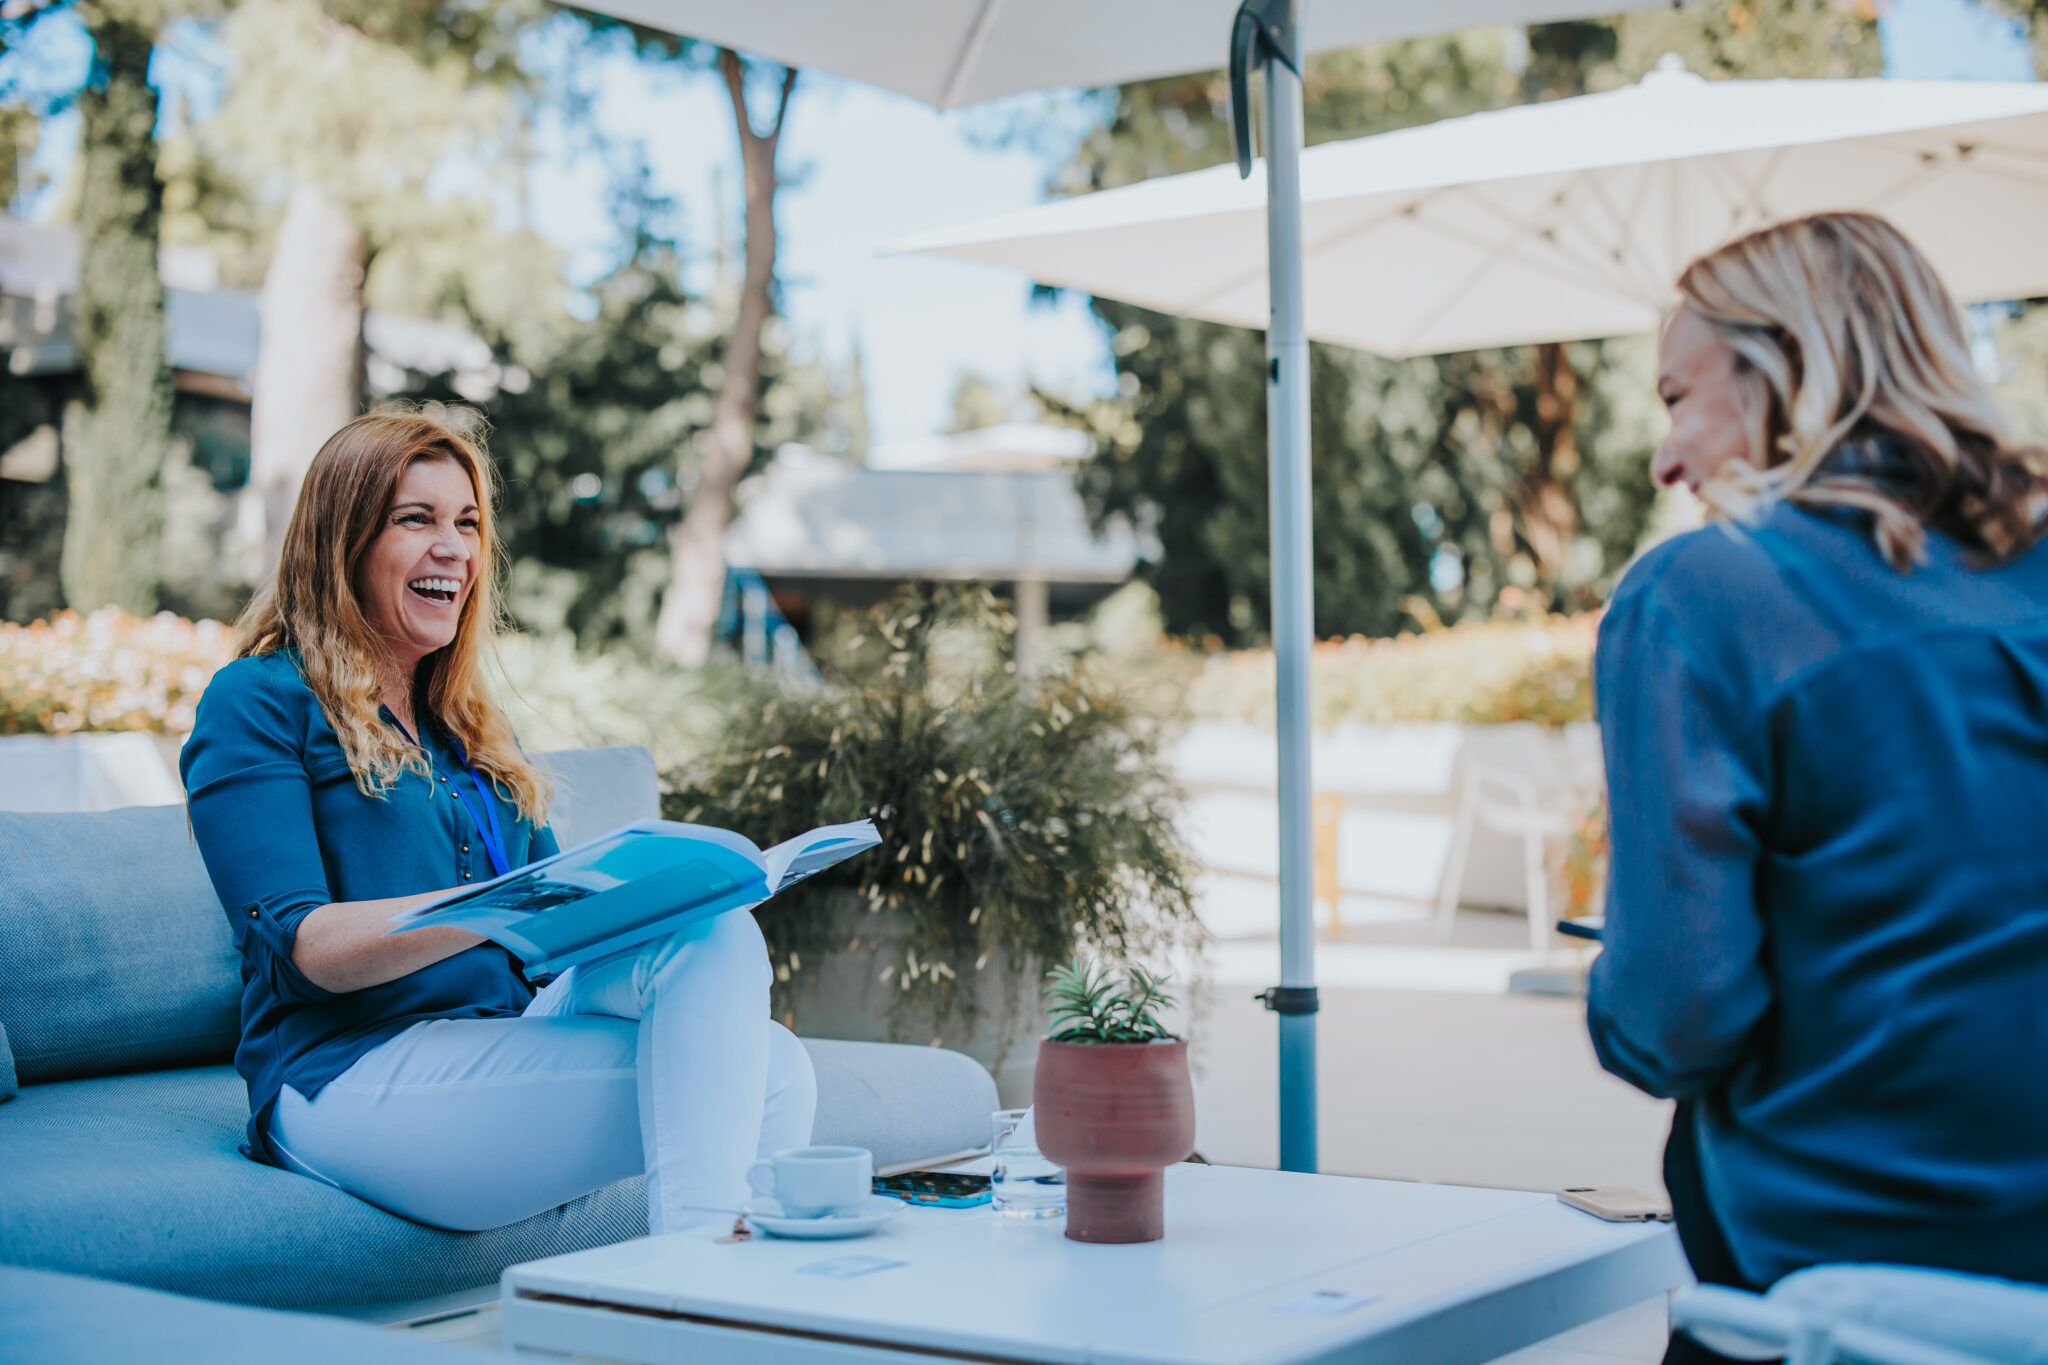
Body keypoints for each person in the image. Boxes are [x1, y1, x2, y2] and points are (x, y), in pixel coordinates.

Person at [1589, 212, 2048, 1362]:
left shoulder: (1704, 596)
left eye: (1676, 396)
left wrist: (1611, 985)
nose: (1665, 459)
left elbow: (1678, 1018)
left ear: (1782, 370)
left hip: (1830, 1291)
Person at [181, 411, 815, 1235]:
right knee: (759, 1075)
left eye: (468, 523)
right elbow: (308, 953)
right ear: (343, 541)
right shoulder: (258, 701)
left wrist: (645, 900)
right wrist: (496, 904)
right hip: (347, 1073)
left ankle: (720, 1298)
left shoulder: (472, 726)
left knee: (741, 980)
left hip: (502, 1035)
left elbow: (556, 940)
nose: (455, 548)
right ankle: (697, 1294)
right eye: (417, 520)